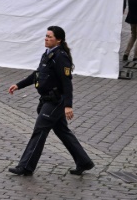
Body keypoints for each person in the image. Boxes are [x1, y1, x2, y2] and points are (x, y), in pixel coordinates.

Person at [8, 26, 94, 176]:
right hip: (47, 99)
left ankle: (26, 166)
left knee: (40, 130)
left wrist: (68, 105)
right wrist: (19, 85)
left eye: (50, 37)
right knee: (63, 131)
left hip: (56, 101)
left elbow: (67, 82)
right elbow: (38, 74)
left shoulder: (61, 57)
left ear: (58, 40)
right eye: (46, 36)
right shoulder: (47, 54)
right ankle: (84, 161)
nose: (46, 39)